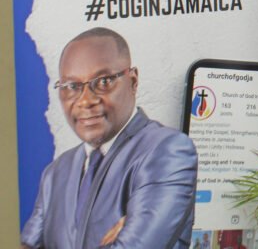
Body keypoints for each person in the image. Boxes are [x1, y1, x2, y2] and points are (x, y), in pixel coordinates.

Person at [21, 27, 198, 249]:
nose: (85, 100)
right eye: (72, 86)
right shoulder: (55, 173)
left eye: (103, 81)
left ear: (133, 81)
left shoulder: (168, 151)